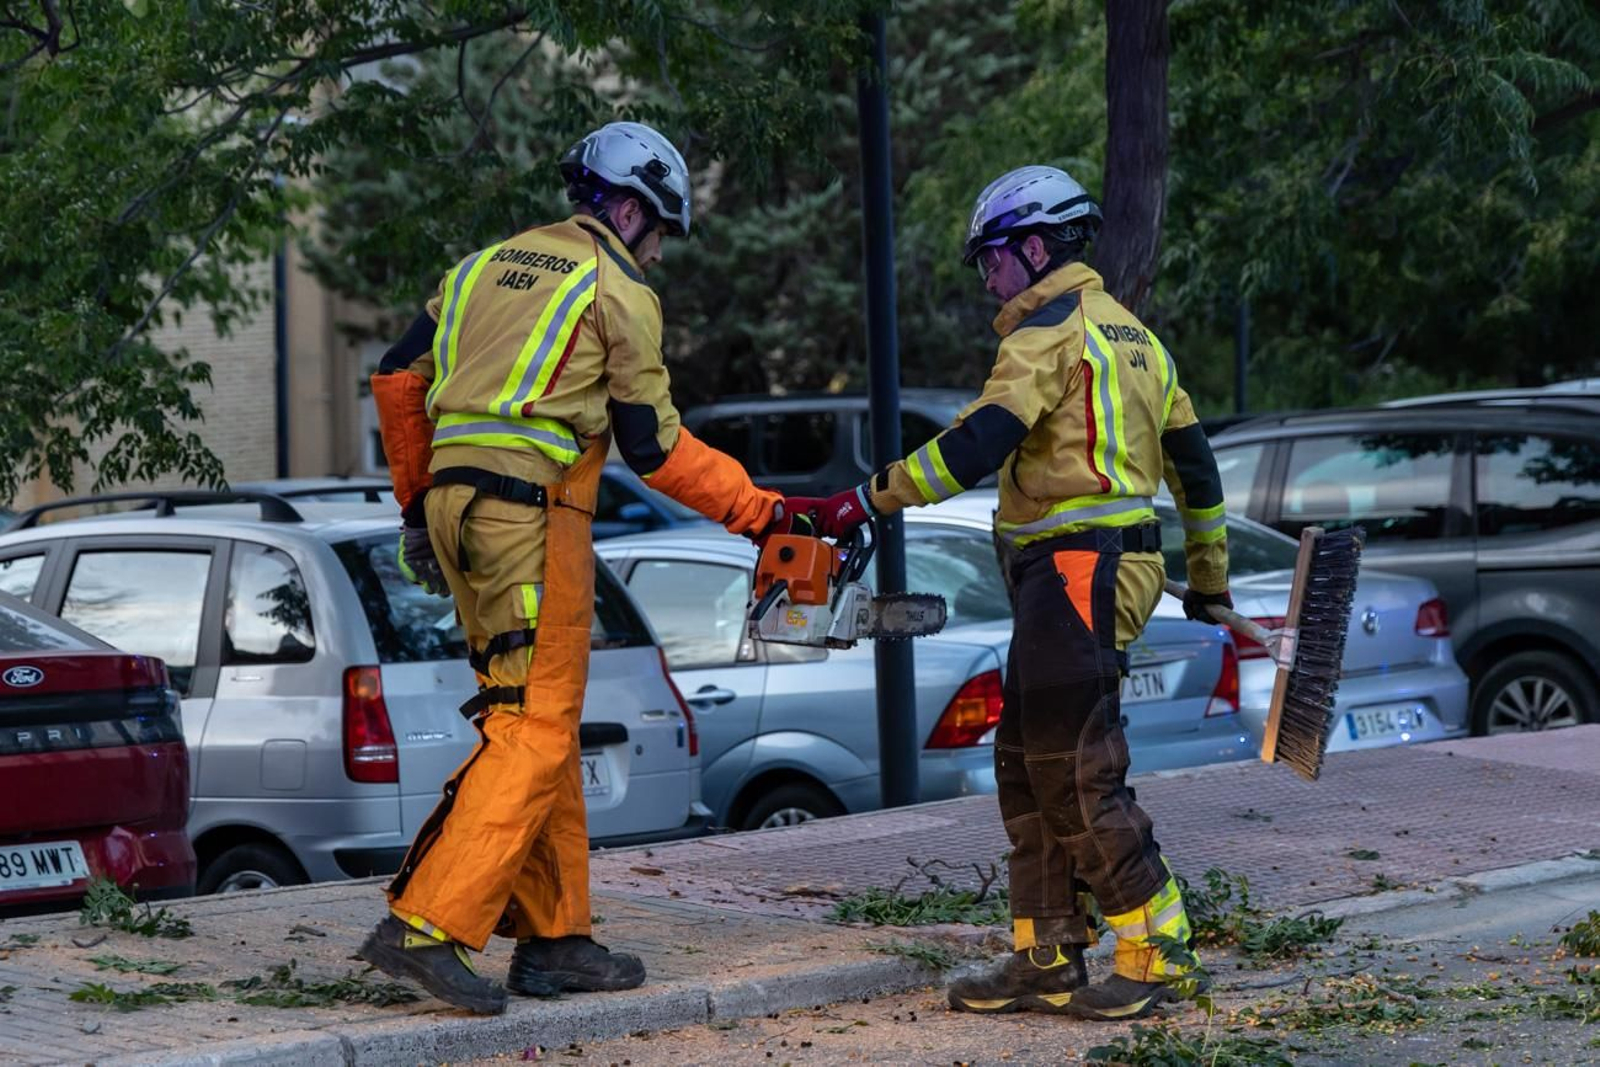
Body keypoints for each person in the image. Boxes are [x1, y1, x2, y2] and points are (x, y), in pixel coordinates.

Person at [784, 166, 1232, 1021]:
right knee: (1027, 767)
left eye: (990, 258)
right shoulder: (1138, 337)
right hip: (1083, 573)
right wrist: (1208, 579)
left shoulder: (1047, 331)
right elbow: (1198, 471)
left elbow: (978, 442)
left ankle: (1159, 954)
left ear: (1033, 247)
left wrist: (866, 498)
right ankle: (1046, 954)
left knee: (1075, 770)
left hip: (1076, 572)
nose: (986, 277)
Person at [361, 121, 782, 1014]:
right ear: (628, 209)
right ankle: (426, 923)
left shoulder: (480, 268)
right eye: (659, 230)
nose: (658, 252)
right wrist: (760, 511)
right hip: (531, 518)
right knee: (533, 728)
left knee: (535, 715)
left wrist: (417, 503)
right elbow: (653, 447)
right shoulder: (616, 289)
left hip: (455, 510)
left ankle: (557, 940)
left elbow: (398, 376)